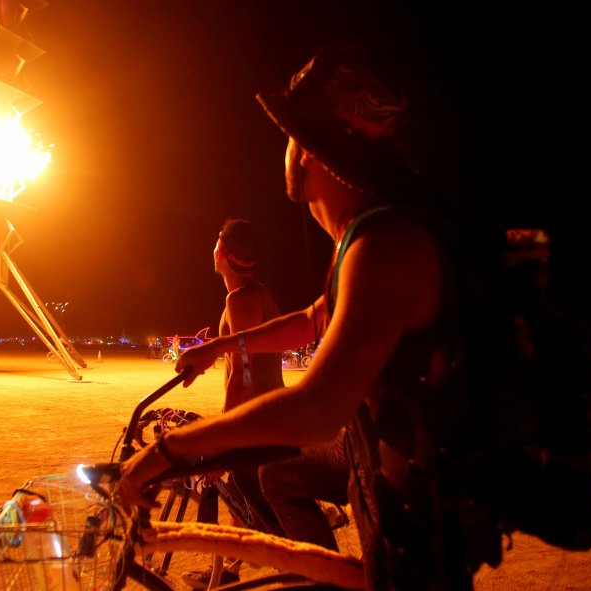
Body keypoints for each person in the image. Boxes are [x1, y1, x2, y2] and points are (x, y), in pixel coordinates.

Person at [119, 43, 493, 590]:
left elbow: (318, 408)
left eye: (291, 134)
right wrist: (220, 348)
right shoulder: (363, 237)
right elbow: (312, 320)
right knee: (282, 473)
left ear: (310, 152)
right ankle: (322, 580)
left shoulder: (383, 244)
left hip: (418, 487)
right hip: (386, 458)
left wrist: (170, 450)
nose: (287, 148)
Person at [184, 219, 287, 589]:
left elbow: (241, 377)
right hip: (267, 415)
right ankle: (229, 570)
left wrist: (223, 437)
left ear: (223, 253)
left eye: (216, 242)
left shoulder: (241, 299)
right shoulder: (255, 293)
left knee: (272, 524)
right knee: (245, 497)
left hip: (255, 421)